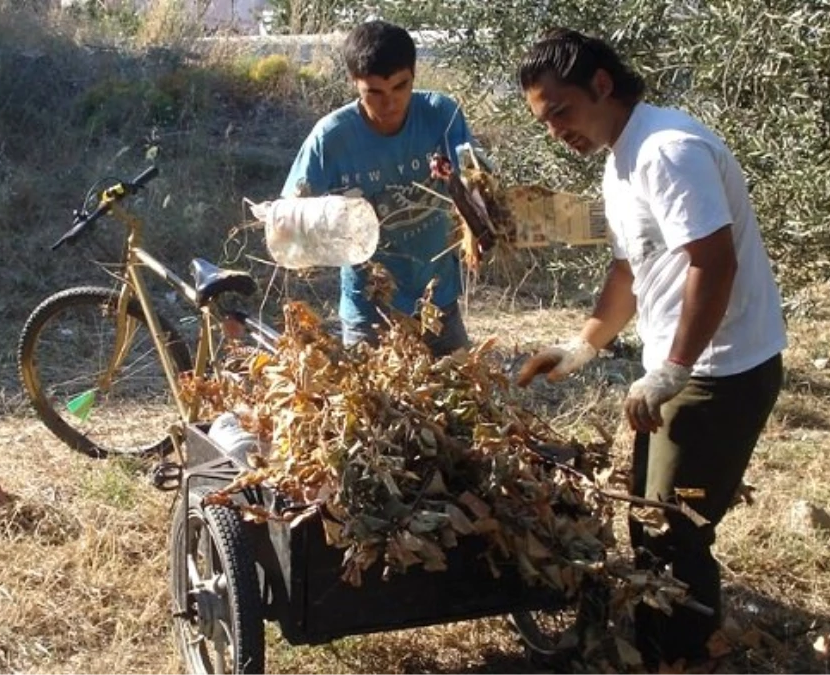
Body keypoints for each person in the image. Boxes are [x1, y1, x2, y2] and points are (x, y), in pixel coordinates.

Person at [512, 27, 787, 670]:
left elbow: (712, 265)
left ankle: (682, 658)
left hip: (720, 372)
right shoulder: (621, 157)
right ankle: (660, 648)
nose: (556, 130)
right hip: (684, 369)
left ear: (601, 85)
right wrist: (581, 347)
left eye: (561, 110)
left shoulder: (667, 150)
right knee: (650, 517)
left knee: (671, 532)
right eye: (544, 120)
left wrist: (672, 371)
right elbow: (629, 272)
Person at [281, 19, 475, 356]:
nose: (390, 103)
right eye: (374, 92)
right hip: (369, 314)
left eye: (401, 87)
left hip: (439, 301)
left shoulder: (441, 114)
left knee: (466, 403)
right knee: (376, 408)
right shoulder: (330, 138)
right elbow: (289, 218)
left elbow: (475, 183)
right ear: (354, 83)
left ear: (414, 76)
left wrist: (481, 223)